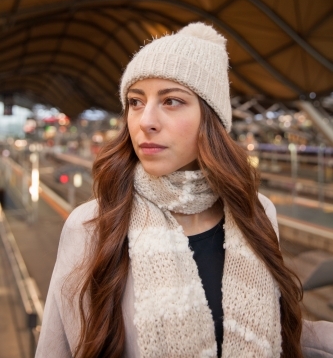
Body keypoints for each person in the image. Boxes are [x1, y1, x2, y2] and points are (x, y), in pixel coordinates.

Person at [36, 22, 332, 358]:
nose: (145, 120)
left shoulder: (256, 211)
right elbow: (56, 346)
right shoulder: (92, 225)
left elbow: (276, 329)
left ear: (211, 118)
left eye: (171, 101)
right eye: (135, 101)